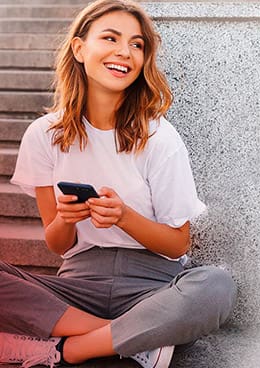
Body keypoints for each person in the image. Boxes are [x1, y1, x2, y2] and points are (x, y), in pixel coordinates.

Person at [0, 1, 237, 367]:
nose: (124, 52)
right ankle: (131, 337)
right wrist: (66, 219)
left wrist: (124, 217)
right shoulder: (43, 135)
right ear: (79, 48)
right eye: (110, 38)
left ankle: (68, 350)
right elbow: (58, 244)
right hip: (78, 286)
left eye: (137, 44)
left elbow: (177, 243)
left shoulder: (158, 136)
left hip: (153, 287)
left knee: (216, 286)